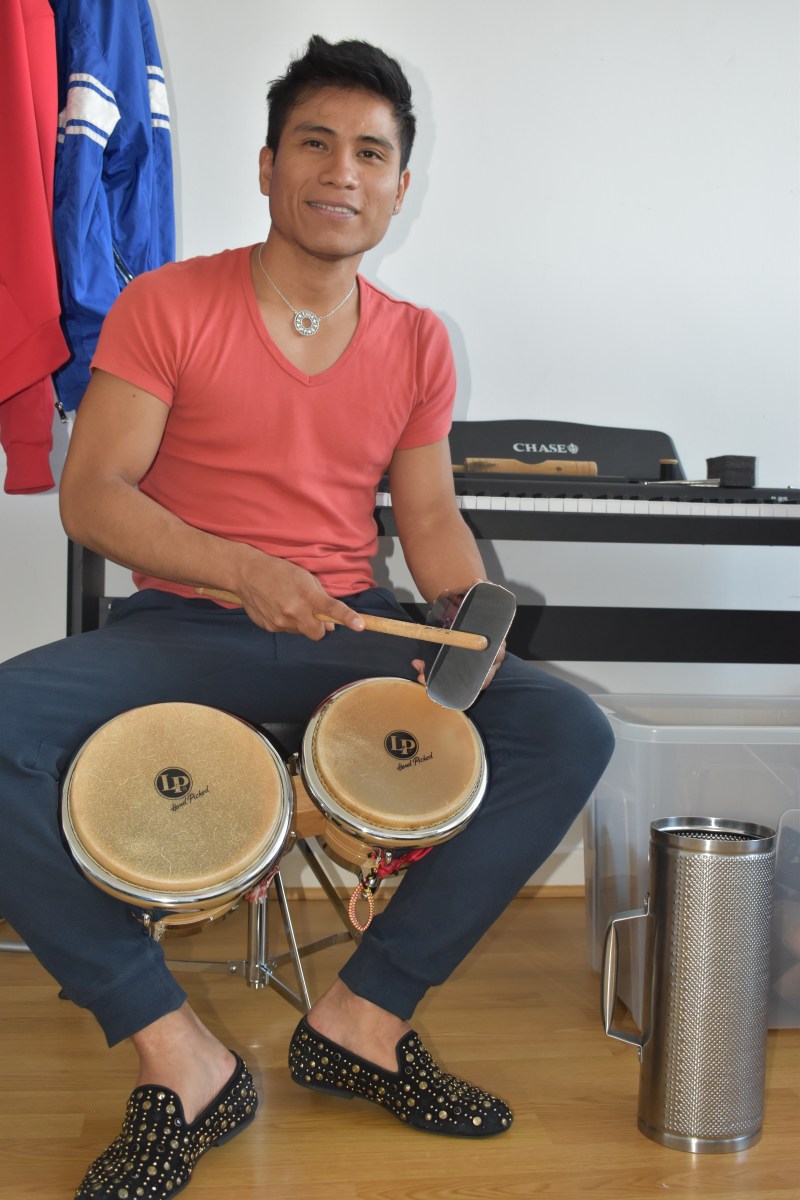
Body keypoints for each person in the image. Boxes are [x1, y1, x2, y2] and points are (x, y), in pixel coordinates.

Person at [0, 35, 614, 1200]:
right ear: (268, 166)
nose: (342, 171)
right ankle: (176, 1054)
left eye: (370, 153)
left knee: (566, 730)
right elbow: (94, 497)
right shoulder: (165, 303)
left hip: (351, 633)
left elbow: (426, 518)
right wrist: (240, 571)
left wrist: (462, 618)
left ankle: (361, 1021)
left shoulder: (417, 340)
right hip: (185, 630)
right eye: (316, 144)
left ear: (398, 185)